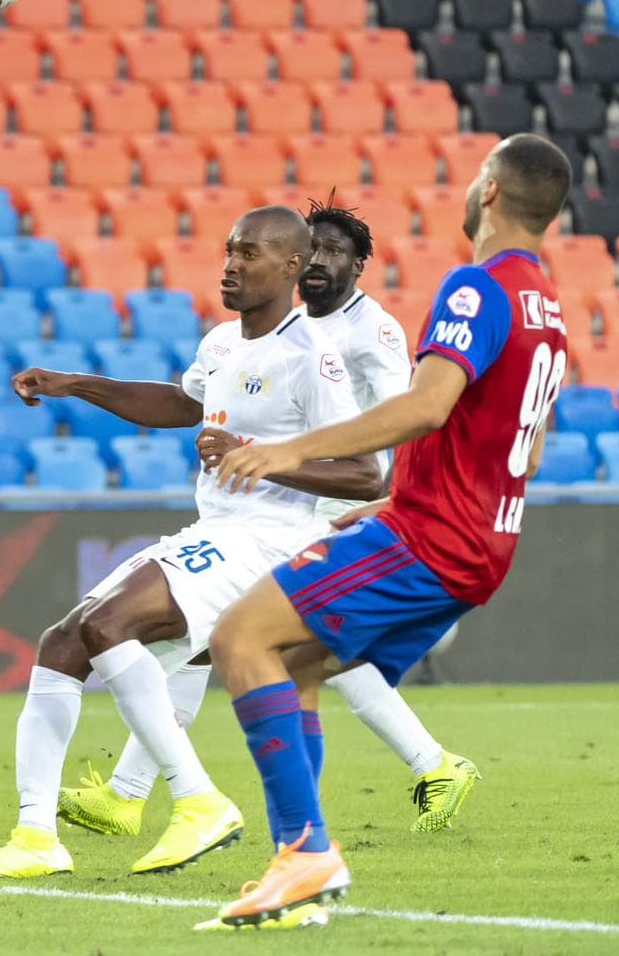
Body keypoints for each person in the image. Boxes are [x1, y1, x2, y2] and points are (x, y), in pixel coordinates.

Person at [201, 134, 572, 930]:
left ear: (493, 194)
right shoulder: (549, 307)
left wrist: (288, 450)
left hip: (433, 541)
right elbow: (525, 447)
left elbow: (427, 405)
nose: (473, 188)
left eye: (480, 176)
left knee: (239, 639)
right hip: (476, 542)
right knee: (295, 663)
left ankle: (305, 855)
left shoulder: (479, 289)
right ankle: (297, 869)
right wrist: (403, 500)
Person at [0, 207, 383, 884]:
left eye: (250, 255)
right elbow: (181, 404)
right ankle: (35, 836)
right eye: (229, 251)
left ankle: (198, 801)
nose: (231, 266)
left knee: (105, 624)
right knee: (63, 643)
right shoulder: (223, 345)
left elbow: (363, 474)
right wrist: (76, 383)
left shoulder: (312, 358)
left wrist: (259, 455)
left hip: (269, 543)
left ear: (292, 268)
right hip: (217, 531)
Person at [59, 197, 478, 847]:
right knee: (244, 642)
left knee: (295, 647)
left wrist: (388, 500)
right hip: (280, 493)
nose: (320, 261)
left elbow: (407, 419)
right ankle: (129, 795)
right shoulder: (277, 327)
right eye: (314, 249)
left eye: (336, 252)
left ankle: (428, 767)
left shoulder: (375, 333)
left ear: (359, 267)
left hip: (338, 498)